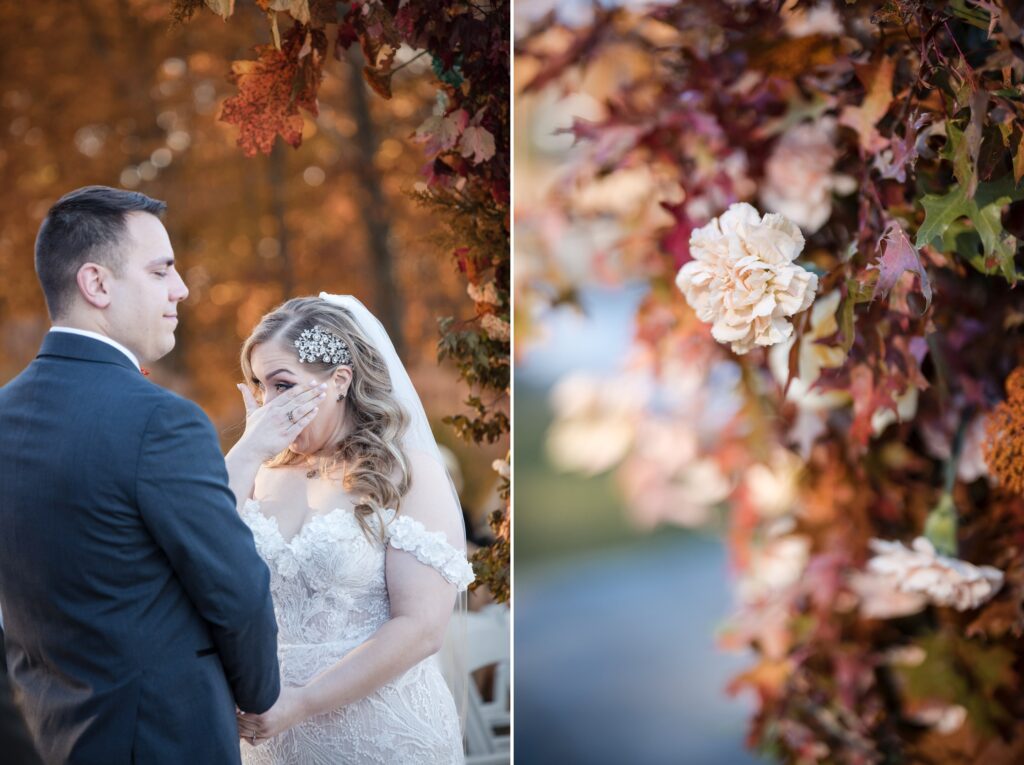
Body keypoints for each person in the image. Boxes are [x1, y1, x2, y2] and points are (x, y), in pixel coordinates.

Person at [0, 186, 281, 764]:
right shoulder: (161, 421)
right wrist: (259, 698)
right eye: (161, 272)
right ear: (97, 284)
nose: (181, 289)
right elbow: (236, 592)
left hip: (48, 735)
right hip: (163, 739)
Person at [229, 294, 475, 764]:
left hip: (381, 733)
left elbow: (422, 627)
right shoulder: (258, 472)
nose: (267, 405)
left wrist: (302, 702)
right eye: (259, 387)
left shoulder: (406, 473)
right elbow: (195, 550)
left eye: (282, 386)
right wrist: (246, 452)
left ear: (339, 381)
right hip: (271, 738)